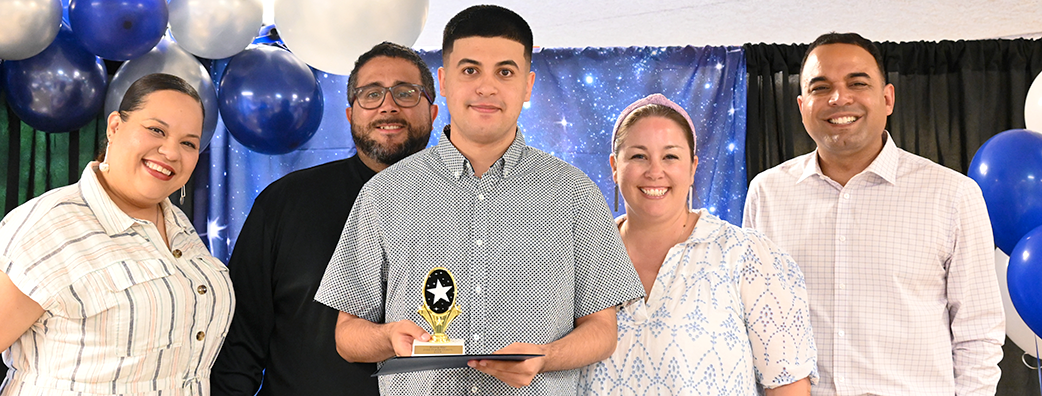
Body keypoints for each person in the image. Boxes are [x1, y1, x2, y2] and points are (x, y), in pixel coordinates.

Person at [314, 5, 644, 395]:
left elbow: (603, 331)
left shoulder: (575, 194)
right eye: (470, 70)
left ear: (527, 86)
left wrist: (547, 356)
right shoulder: (385, 194)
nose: (486, 87)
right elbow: (347, 335)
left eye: (505, 72)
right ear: (444, 80)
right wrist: (388, 339)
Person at [743, 32, 1005, 396]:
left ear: (887, 98)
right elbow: (757, 321)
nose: (839, 98)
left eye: (857, 83)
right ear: (802, 106)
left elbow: (978, 334)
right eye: (821, 88)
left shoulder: (953, 195)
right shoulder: (766, 193)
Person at [210, 41, 438, 396]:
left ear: (433, 112)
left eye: (406, 93)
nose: (388, 106)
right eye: (371, 94)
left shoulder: (469, 209)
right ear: (350, 114)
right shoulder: (284, 203)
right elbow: (239, 347)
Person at [0, 73, 233, 395]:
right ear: (114, 127)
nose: (170, 152)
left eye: (188, 143)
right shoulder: (48, 224)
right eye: (156, 130)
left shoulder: (178, 224)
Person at [577, 93, 817, 395]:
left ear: (692, 168)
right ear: (615, 166)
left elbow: (787, 385)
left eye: (670, 156)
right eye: (638, 156)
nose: (655, 171)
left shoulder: (745, 256)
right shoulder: (583, 255)